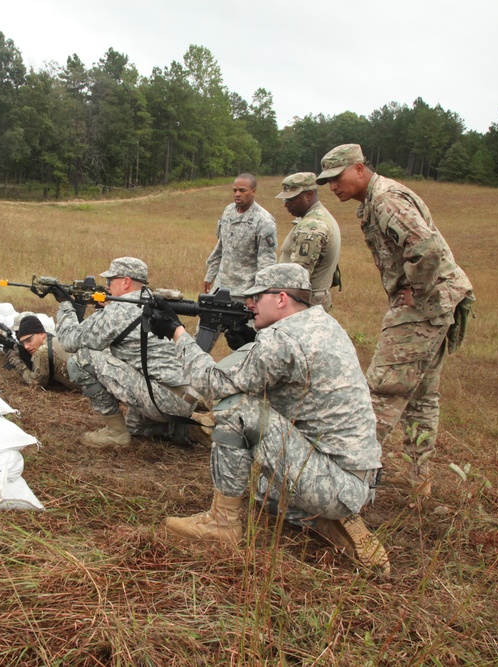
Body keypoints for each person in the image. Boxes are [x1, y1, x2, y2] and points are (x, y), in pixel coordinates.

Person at [148, 264, 389, 573]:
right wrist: (250, 340)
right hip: (355, 477)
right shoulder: (322, 324)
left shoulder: (282, 339)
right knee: (264, 491)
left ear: (281, 298)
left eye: (257, 297)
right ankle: (325, 520)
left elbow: (211, 384)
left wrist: (177, 333)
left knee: (235, 407)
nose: (249, 305)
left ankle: (223, 523)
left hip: (330, 480)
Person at [316, 144, 475, 497]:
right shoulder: (376, 200)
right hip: (438, 305)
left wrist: (416, 291)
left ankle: (347, 481)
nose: (333, 187)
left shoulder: (386, 199)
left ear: (358, 169)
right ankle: (421, 483)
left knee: (381, 391)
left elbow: (427, 248)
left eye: (337, 178)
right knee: (421, 396)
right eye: (327, 181)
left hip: (425, 305)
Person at [52, 257, 203, 448]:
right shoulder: (156, 302)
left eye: (110, 281)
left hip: (161, 399)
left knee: (82, 359)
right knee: (134, 425)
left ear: (126, 282)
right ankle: (186, 429)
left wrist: (65, 303)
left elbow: (68, 340)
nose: (106, 286)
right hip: (187, 396)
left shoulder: (117, 311)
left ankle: (115, 433)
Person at [276, 172, 342, 311]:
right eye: (285, 199)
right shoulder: (321, 217)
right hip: (309, 302)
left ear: (308, 195)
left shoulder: (311, 226)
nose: (286, 204)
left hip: (303, 304)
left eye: (291, 199)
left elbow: (297, 277)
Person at [203, 173, 277, 297]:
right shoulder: (228, 211)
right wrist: (210, 275)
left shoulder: (263, 221)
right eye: (235, 190)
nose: (237, 194)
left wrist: (256, 296)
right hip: (219, 289)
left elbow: (266, 264)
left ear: (253, 191)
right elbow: (221, 247)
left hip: (244, 294)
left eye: (242, 190)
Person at [2, 315, 77, 390]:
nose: (26, 346)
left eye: (29, 340)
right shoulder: (53, 340)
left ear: (42, 335)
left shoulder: (42, 351)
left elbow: (35, 383)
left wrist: (16, 362)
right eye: (23, 343)